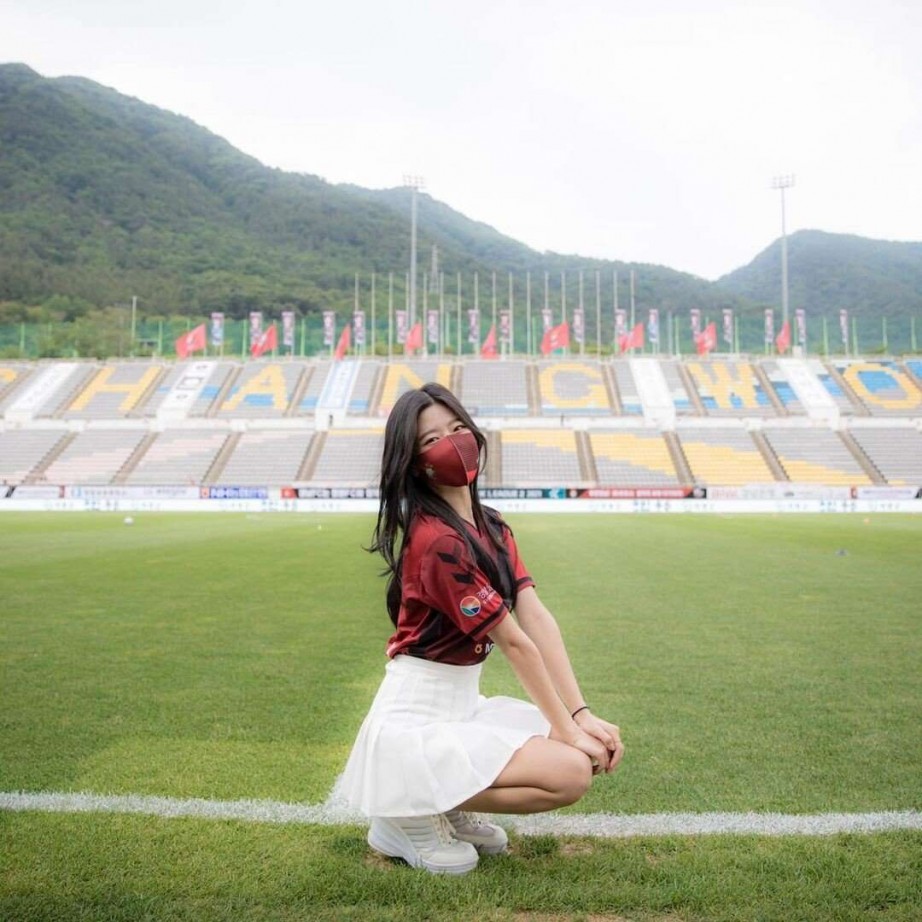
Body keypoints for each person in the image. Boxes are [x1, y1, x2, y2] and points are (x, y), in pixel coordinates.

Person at [335, 383, 624, 875]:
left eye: (457, 427)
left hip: (462, 708)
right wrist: (566, 731)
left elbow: (534, 616)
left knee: (579, 756)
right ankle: (404, 810)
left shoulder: (492, 525)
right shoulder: (437, 541)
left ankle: (441, 801)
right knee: (571, 771)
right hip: (415, 720)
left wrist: (581, 713)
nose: (452, 442)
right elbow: (513, 642)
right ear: (414, 462)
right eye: (431, 440)